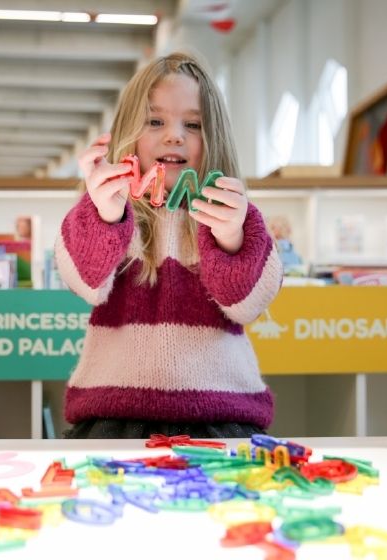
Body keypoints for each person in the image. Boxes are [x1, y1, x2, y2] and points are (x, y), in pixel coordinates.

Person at [55, 51, 283, 439]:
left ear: (214, 136)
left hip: (220, 417)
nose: (174, 134)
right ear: (129, 130)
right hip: (114, 418)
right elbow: (84, 283)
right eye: (155, 121)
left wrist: (232, 238)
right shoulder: (109, 209)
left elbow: (249, 304)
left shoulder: (233, 214)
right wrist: (105, 217)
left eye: (193, 124)